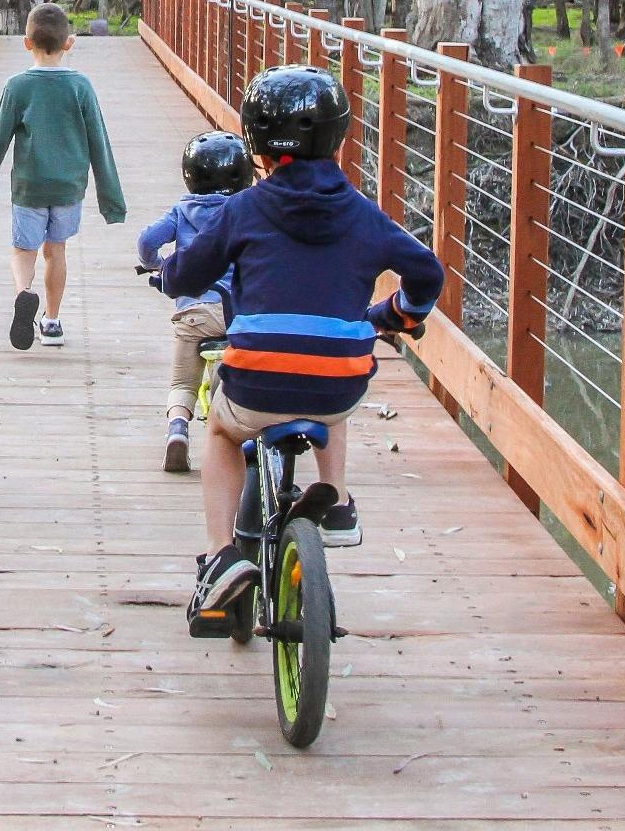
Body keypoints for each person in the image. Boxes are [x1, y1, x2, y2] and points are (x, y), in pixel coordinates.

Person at [159, 66, 444, 619]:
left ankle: (220, 559)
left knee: (220, 429)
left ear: (256, 143)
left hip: (256, 380)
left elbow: (190, 274)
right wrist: (397, 314)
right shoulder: (364, 215)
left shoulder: (242, 209)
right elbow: (426, 272)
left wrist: (170, 276)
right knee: (337, 369)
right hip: (337, 383)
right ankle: (334, 501)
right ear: (336, 135)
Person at [0, 2, 127, 349]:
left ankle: (22, 294)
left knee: (23, 250)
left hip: (30, 185)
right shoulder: (81, 87)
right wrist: (112, 201)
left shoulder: (17, 86)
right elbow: (99, 143)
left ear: (26, 43)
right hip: (68, 187)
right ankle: (52, 321)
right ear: (69, 43)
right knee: (55, 250)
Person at [135, 130, 257, 474]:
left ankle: (178, 431)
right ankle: (240, 433)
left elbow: (147, 240)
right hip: (240, 315)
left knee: (182, 383)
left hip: (194, 313)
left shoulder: (182, 210)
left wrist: (157, 264)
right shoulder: (247, 210)